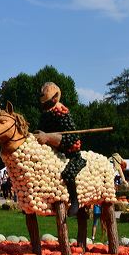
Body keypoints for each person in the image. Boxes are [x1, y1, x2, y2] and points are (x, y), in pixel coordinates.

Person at [34, 82, 85, 217]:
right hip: (52, 154)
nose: (44, 106)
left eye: (47, 103)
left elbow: (72, 139)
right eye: (43, 103)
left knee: (68, 173)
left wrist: (49, 138)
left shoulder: (62, 113)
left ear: (55, 98)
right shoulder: (45, 115)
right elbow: (40, 132)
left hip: (71, 155)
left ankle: (75, 201)